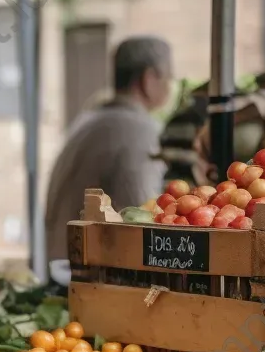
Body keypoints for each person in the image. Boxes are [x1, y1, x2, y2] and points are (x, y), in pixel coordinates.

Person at [45, 37, 173, 261]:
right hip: (93, 275)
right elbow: (143, 213)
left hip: (60, 265)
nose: (169, 86)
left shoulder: (86, 121)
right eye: (167, 78)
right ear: (149, 79)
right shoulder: (138, 129)